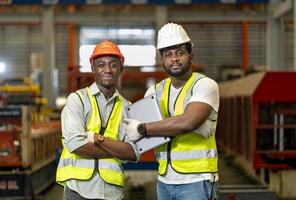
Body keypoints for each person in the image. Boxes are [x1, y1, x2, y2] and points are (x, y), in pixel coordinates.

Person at [123, 23, 219, 200]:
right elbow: (147, 138)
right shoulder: (154, 92)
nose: (174, 59)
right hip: (164, 179)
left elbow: (186, 123)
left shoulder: (205, 85)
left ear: (191, 55)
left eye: (180, 53)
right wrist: (188, 124)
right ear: (162, 60)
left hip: (197, 179)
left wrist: (143, 128)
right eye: (168, 54)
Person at [56, 41, 140, 200]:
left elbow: (133, 153)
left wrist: (96, 138)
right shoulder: (78, 100)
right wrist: (117, 150)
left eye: (113, 65)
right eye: (101, 64)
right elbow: (75, 144)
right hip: (78, 191)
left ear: (121, 67)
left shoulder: (127, 107)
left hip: (111, 192)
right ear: (93, 67)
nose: (107, 70)